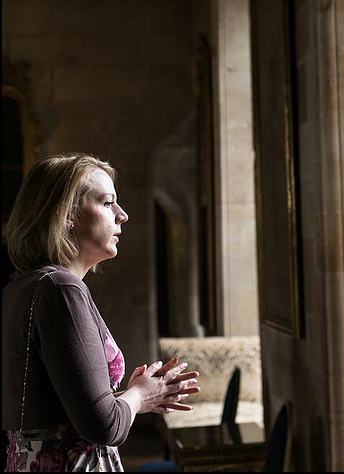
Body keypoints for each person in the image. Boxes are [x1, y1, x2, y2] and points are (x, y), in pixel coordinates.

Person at [2, 153, 201, 471]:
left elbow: (55, 410)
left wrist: (132, 396)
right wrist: (138, 395)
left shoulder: (23, 286)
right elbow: (104, 427)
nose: (122, 215)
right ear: (64, 213)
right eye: (108, 203)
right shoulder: (61, 290)